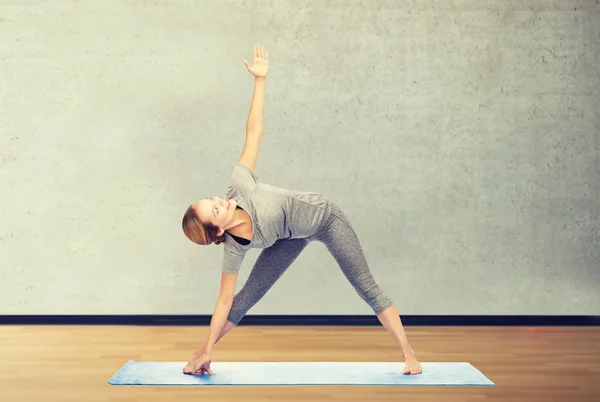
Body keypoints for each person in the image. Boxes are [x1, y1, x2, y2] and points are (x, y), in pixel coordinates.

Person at [181, 44, 422, 376]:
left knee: (365, 285)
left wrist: (260, 81)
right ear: (218, 231)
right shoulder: (235, 248)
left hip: (323, 219)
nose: (220, 202)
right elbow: (224, 301)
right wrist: (208, 348)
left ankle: (410, 355)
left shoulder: (240, 185)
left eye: (212, 199)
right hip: (288, 237)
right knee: (245, 299)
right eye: (215, 211)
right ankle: (201, 354)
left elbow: (254, 133)